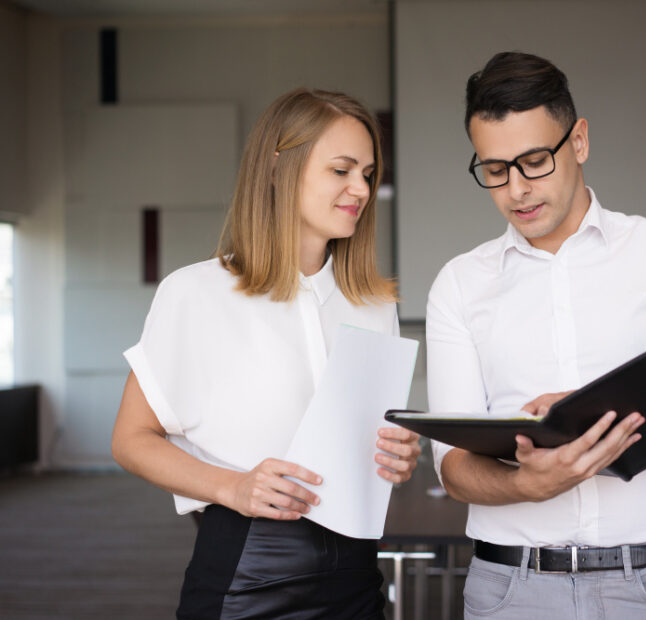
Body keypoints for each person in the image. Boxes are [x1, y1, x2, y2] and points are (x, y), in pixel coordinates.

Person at [426, 51, 646, 619]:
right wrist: (528, 487)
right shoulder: (460, 284)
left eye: (535, 161)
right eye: (495, 170)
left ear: (579, 141)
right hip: (510, 591)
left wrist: (592, 415)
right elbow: (454, 469)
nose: (517, 189)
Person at [111, 88, 421, 620]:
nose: (361, 189)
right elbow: (130, 440)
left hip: (356, 575)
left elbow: (367, 444)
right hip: (245, 575)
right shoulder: (195, 292)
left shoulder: (374, 304)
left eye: (368, 174)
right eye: (342, 170)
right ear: (280, 168)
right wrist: (232, 485)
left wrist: (398, 453)